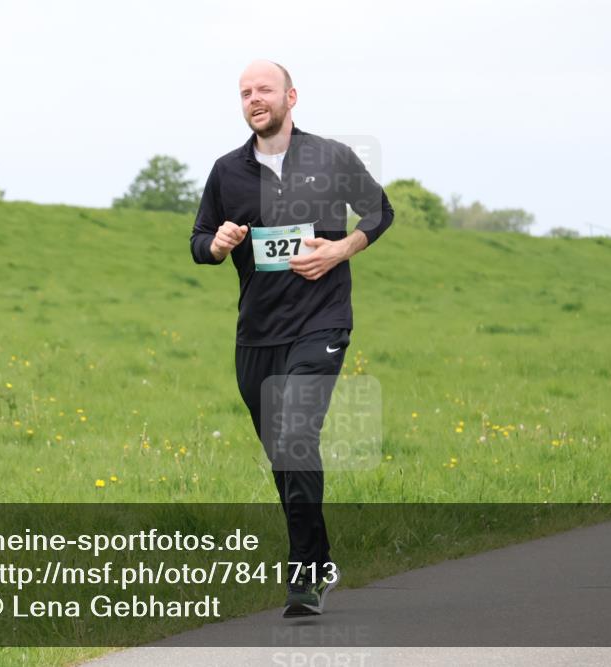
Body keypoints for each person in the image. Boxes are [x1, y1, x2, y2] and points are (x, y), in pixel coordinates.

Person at [189, 59, 394, 617]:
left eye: (264, 90)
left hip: (321, 322)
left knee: (296, 431)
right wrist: (219, 243)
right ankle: (319, 556)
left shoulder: (330, 156)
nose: (254, 99)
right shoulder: (226, 171)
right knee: (283, 455)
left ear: (291, 97)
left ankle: (303, 573)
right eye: (244, 93)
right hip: (257, 336)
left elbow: (380, 210)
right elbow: (199, 240)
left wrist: (339, 249)